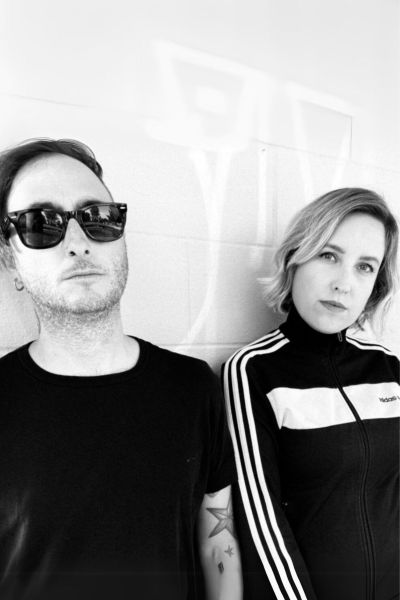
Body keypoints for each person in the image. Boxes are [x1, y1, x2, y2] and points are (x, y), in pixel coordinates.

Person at [0, 138, 242, 600]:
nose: (78, 244)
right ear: (11, 259)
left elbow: (217, 535)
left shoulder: (193, 388)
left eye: (97, 217)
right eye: (40, 224)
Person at [222, 188, 399, 600]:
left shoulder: (388, 368)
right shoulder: (253, 372)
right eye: (329, 256)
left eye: (365, 267)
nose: (343, 284)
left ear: (376, 286)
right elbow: (261, 525)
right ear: (295, 258)